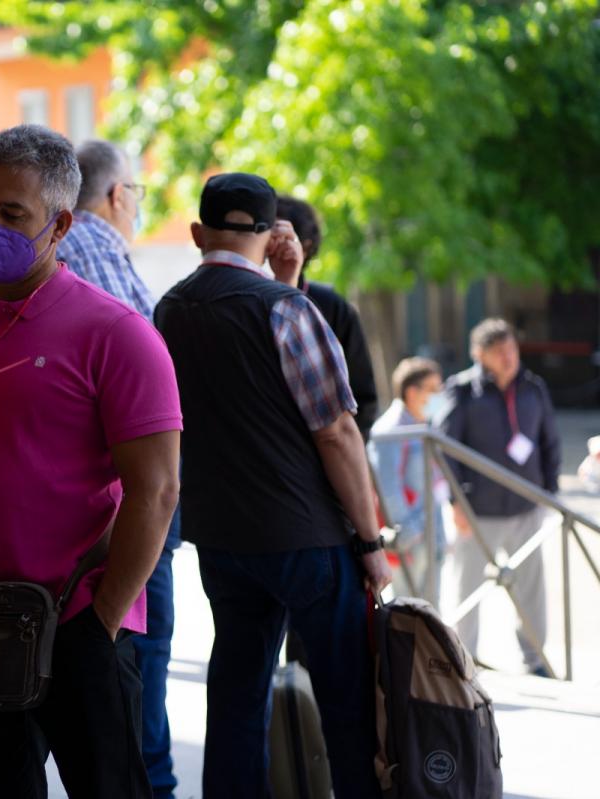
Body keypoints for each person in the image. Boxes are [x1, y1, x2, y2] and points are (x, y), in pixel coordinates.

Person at [0, 124, 181, 799]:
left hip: (81, 624)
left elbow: (158, 489)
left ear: (58, 224)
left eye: (11, 213)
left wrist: (103, 620)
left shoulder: (118, 334)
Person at [155, 172, 391, 798]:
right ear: (269, 234)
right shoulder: (288, 309)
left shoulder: (169, 309)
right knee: (346, 705)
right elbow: (337, 433)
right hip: (306, 539)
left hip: (223, 540)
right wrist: (370, 542)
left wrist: (282, 284)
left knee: (236, 696)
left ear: (197, 232)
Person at [56, 138, 179, 798]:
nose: (134, 205)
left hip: (112, 508)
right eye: (134, 192)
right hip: (121, 509)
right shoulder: (95, 253)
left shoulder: (66, 257)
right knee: (137, 674)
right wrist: (107, 612)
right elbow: (142, 412)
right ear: (113, 195)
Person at [438, 318, 561, 676]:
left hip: (526, 508)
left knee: (532, 590)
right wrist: (456, 502)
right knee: (467, 588)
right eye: (499, 352)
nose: (509, 358)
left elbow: (550, 440)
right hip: (478, 512)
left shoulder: (533, 388)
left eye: (512, 349)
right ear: (479, 355)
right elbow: (445, 451)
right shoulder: (461, 391)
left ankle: (535, 659)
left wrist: (549, 493)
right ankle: (463, 661)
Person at [275, 196, 379, 439]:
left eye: (281, 239)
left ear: (306, 246)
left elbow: (363, 397)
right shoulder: (244, 302)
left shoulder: (332, 307)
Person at [369, 357, 448, 603]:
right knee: (411, 613)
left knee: (430, 610)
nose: (439, 396)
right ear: (412, 392)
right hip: (413, 540)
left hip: (429, 531)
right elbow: (387, 487)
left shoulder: (421, 423)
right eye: (433, 389)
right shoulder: (391, 429)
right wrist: (409, 533)